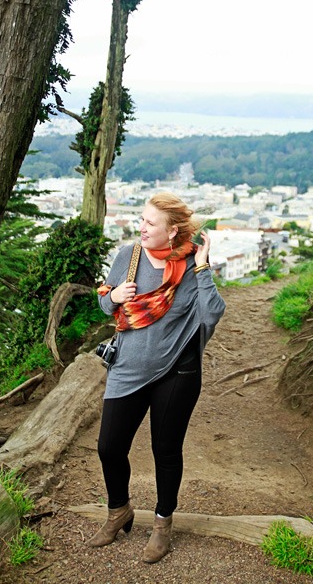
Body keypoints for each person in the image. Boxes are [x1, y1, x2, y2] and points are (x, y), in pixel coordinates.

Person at [89, 192, 225, 563]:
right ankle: (119, 511)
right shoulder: (128, 256)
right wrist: (115, 294)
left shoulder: (189, 267)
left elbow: (211, 314)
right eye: (143, 220)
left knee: (165, 450)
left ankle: (163, 524)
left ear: (172, 231)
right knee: (109, 447)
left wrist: (202, 267)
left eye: (150, 223)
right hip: (128, 370)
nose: (142, 227)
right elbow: (104, 302)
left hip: (176, 373)